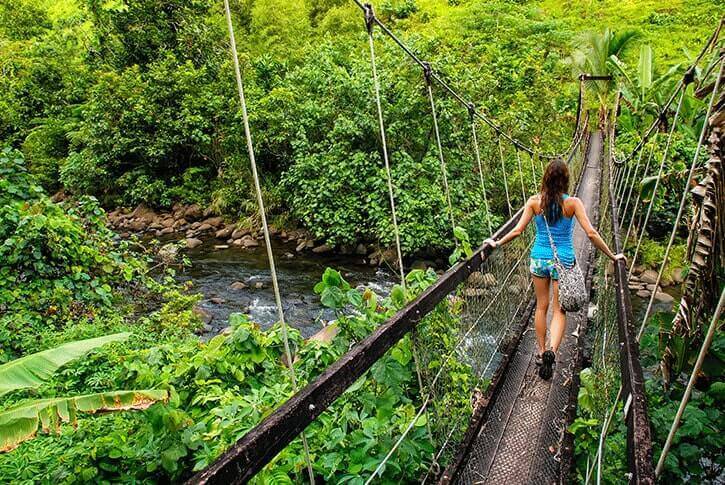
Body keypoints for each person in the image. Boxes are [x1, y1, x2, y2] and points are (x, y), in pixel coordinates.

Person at [484, 158, 625, 380]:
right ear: (566, 180)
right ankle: (552, 351)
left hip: (539, 260)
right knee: (559, 311)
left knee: (541, 306)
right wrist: (613, 256)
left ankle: (540, 352)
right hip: (564, 262)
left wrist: (497, 242)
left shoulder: (533, 202)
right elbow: (591, 233)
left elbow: (518, 231)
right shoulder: (573, 203)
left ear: (545, 178)